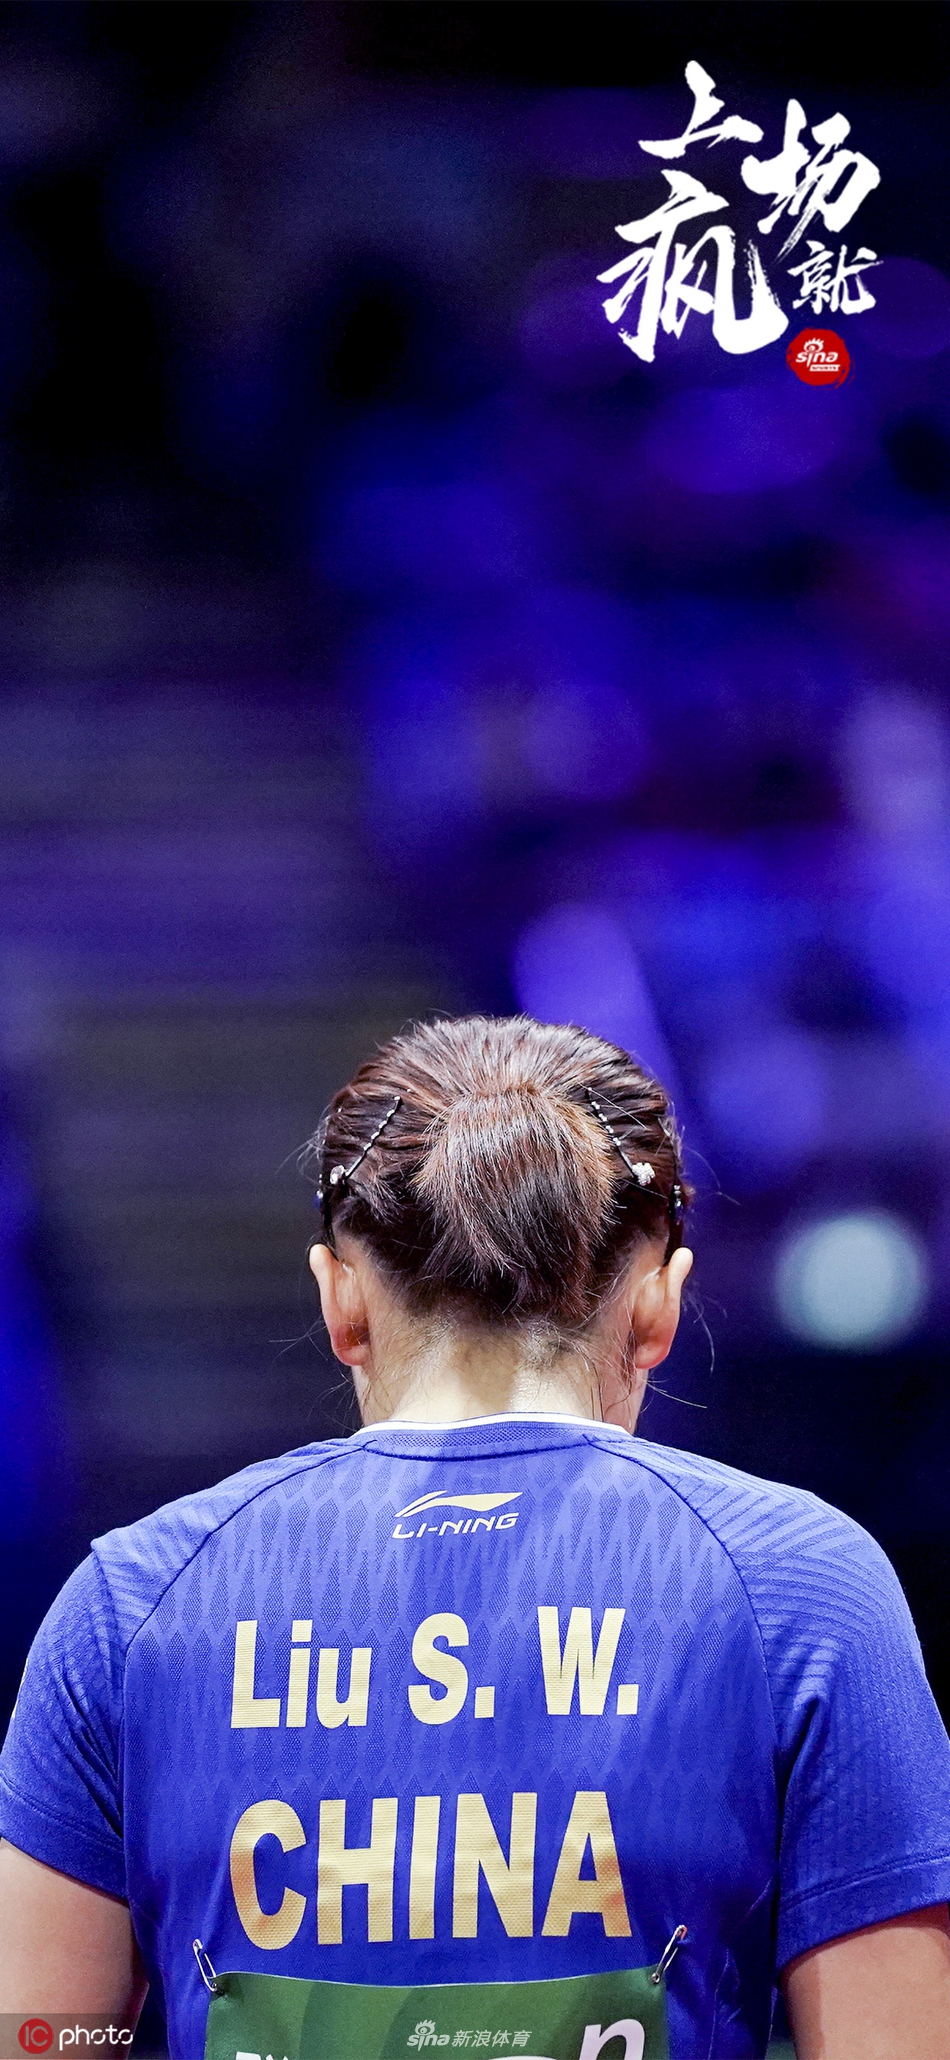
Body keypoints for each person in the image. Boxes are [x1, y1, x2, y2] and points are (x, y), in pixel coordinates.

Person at [1, 1014, 949, 2060]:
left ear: (341, 1299)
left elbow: (43, 2038)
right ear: (655, 1309)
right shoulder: (803, 1591)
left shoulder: (133, 1604)